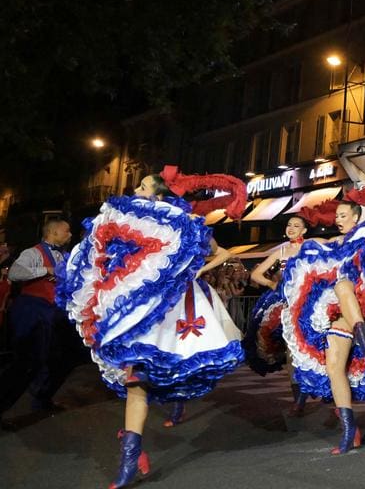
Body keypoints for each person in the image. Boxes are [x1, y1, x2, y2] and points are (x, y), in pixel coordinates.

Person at [58, 169, 246, 488]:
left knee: (151, 377)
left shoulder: (184, 221)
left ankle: (139, 443)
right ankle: (131, 457)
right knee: (136, 383)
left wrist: (195, 271)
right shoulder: (130, 221)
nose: (135, 190)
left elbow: (218, 251)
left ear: (159, 195)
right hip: (139, 313)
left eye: (143, 186)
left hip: (172, 315)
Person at [280, 191, 365, 458]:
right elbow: (313, 247)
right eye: (336, 216)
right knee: (334, 367)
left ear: (356, 217)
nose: (338, 220)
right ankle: (349, 430)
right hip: (339, 312)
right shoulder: (335, 242)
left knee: (344, 285)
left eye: (343, 215)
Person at [245, 215, 322, 417]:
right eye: (289, 225)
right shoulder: (280, 251)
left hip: (311, 305)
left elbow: (332, 245)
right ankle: (299, 400)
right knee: (291, 353)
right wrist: (272, 284)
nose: (291, 228)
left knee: (315, 350)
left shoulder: (311, 246)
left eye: (297, 225)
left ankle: (323, 389)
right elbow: (255, 274)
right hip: (288, 305)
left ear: (304, 231)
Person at [0, 219, 74, 427]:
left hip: (53, 313)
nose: (70, 235)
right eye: (66, 231)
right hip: (31, 312)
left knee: (61, 358)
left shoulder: (64, 255)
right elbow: (15, 273)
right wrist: (45, 270)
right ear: (53, 232)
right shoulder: (33, 253)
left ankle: (42, 398)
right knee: (26, 363)